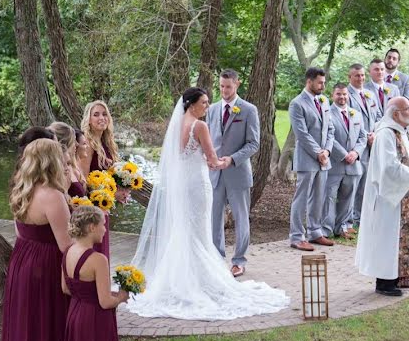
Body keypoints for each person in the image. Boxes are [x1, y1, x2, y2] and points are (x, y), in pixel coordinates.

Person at [127, 88, 289, 320]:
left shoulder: (177, 125)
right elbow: (212, 159)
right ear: (192, 104)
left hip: (182, 184)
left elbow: (178, 157)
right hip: (197, 184)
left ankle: (180, 279)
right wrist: (220, 161)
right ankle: (201, 281)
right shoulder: (199, 126)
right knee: (199, 231)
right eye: (203, 102)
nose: (207, 106)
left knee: (185, 229)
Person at [0, 139, 72, 341]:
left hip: (23, 262)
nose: (66, 162)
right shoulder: (52, 195)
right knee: (47, 330)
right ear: (51, 161)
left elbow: (19, 229)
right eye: (61, 158)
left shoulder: (21, 188)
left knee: (26, 330)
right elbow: (66, 245)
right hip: (46, 266)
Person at [355, 97, 409, 296]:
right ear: (395, 113)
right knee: (387, 238)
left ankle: (401, 276)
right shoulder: (386, 134)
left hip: (401, 194)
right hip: (388, 197)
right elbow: (389, 167)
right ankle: (385, 282)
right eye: (407, 109)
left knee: (400, 236)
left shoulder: (399, 132)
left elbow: (406, 160)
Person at [56, 206, 126, 341]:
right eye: (103, 225)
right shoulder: (98, 260)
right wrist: (121, 296)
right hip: (95, 319)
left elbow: (65, 288)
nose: (105, 230)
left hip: (75, 315)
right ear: (92, 227)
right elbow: (105, 302)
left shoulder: (68, 252)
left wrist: (87, 294)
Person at [206, 69, 260, 277]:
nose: (224, 90)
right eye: (221, 86)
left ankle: (239, 260)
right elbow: (209, 140)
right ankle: (217, 259)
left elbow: (253, 143)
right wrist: (208, 158)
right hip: (215, 174)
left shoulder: (248, 110)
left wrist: (233, 159)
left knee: (241, 218)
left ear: (237, 84)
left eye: (228, 86)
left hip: (237, 173)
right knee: (214, 218)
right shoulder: (211, 110)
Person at [288, 68, 336, 251]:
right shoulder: (297, 104)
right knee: (301, 199)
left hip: (324, 159)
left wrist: (327, 152)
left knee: (319, 197)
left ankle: (315, 232)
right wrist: (318, 152)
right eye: (320, 82)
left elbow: (330, 129)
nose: (323, 86)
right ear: (309, 81)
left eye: (324, 82)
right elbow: (302, 133)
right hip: (307, 159)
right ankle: (296, 236)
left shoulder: (323, 101)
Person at [324, 83, 367, 238]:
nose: (342, 97)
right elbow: (329, 137)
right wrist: (344, 155)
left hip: (354, 164)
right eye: (338, 94)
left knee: (348, 198)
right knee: (329, 197)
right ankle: (327, 228)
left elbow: (362, 136)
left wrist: (355, 153)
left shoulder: (356, 113)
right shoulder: (327, 113)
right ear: (332, 95)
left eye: (344, 94)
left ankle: (343, 227)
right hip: (335, 164)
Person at [81, 100, 119, 257]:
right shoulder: (88, 144)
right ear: (88, 119)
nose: (101, 118)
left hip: (104, 203)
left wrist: (118, 191)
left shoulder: (107, 142)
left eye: (104, 114)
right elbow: (83, 178)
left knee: (103, 251)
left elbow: (109, 175)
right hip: (93, 207)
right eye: (96, 115)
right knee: (96, 253)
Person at [346, 63, 379, 228]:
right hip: (356, 145)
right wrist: (367, 135)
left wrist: (376, 133)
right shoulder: (347, 95)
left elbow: (378, 115)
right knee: (355, 183)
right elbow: (351, 121)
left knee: (368, 182)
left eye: (362, 75)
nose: (361, 78)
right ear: (349, 77)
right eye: (357, 75)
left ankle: (362, 216)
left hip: (373, 144)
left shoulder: (370, 94)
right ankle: (350, 218)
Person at [49, 122, 86, 198]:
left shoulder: (72, 166)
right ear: (64, 144)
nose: (77, 144)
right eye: (73, 141)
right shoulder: (58, 171)